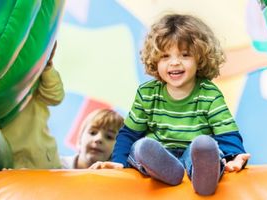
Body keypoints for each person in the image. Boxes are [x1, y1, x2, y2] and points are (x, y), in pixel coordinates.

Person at [90, 14, 251, 196]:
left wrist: (235, 157)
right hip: (157, 154)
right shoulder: (147, 93)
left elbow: (227, 133)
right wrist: (119, 161)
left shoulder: (209, 94)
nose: (175, 62)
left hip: (193, 156)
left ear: (200, 58)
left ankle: (204, 179)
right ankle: (167, 171)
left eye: (185, 55)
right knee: (141, 146)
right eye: (165, 56)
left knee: (206, 146)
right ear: (155, 60)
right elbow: (129, 134)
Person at [1, 41, 64, 169]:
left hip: (42, 159)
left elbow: (55, 96)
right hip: (11, 163)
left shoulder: (33, 79)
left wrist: (47, 67)